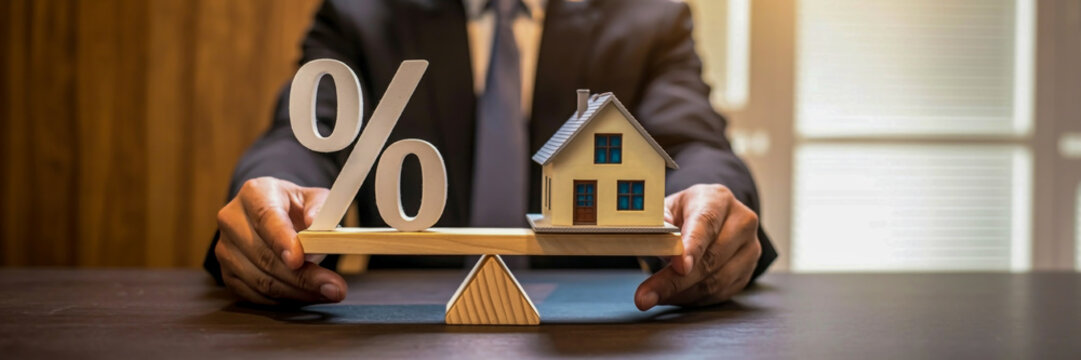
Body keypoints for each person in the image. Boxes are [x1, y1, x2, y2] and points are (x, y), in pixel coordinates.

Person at [206, 0, 777, 311]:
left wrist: (710, 205)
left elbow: (696, 145)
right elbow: (302, 137)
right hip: (401, 331)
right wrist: (274, 191)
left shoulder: (650, 15)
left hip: (602, 329)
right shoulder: (361, 12)